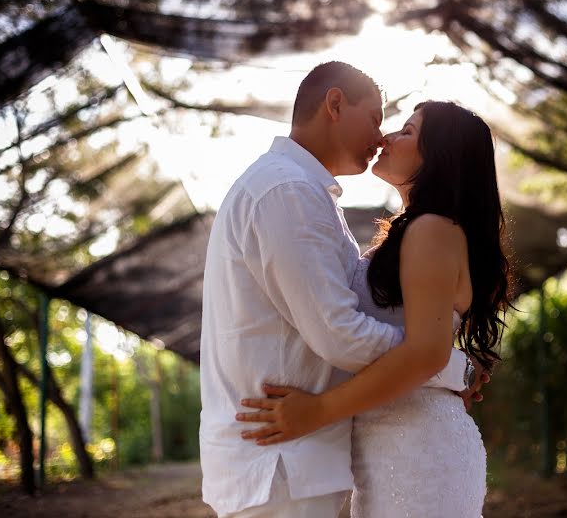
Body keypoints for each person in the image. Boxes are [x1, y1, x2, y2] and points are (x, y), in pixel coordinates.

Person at [199, 62, 484, 518]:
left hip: (314, 455)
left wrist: (436, 363)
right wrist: (451, 368)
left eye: (402, 129)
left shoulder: (306, 194)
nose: (382, 136)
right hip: (281, 458)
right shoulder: (288, 190)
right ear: (335, 104)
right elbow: (340, 333)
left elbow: (356, 330)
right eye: (376, 118)